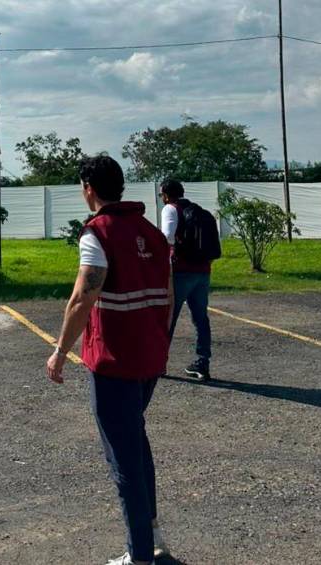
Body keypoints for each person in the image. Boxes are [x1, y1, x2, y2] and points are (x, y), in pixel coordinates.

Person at [46, 154, 172, 565]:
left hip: (115, 362)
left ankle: (139, 556)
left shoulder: (97, 233)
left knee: (124, 460)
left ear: (88, 188)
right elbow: (166, 296)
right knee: (136, 443)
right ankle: (152, 539)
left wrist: (60, 351)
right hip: (149, 358)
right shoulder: (150, 231)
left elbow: (83, 296)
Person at [159, 179, 213, 381]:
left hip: (181, 271)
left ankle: (159, 362)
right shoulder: (199, 211)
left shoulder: (170, 210)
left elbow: (167, 238)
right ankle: (202, 362)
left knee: (168, 317)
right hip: (203, 271)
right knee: (201, 318)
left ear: (165, 194)